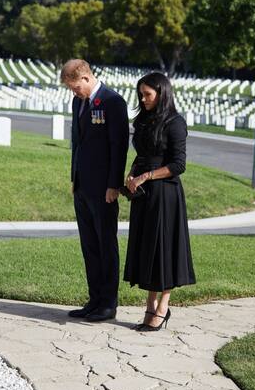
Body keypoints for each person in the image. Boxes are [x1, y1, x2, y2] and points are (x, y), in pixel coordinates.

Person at [123, 72, 196, 331]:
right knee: (148, 251)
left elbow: (178, 165)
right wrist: (132, 173)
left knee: (164, 252)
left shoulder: (175, 123)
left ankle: (162, 307)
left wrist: (145, 176)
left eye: (147, 95)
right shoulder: (143, 120)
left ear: (162, 93)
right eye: (140, 95)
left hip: (166, 195)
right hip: (144, 196)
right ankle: (149, 303)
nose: (143, 100)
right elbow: (142, 154)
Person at [61, 59, 129, 322]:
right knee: (89, 245)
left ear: (86, 78)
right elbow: (77, 142)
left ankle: (108, 303)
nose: (74, 93)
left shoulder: (113, 102)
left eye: (76, 87)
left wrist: (114, 185)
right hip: (82, 186)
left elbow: (118, 146)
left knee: (105, 244)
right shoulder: (78, 102)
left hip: (104, 188)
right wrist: (74, 178)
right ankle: (94, 299)